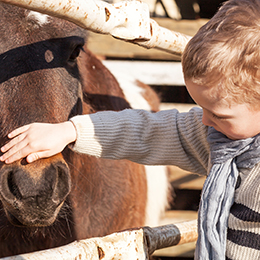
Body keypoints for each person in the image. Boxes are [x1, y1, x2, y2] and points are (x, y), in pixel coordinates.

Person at [1, 0, 260, 259]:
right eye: (201, 108)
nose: (203, 121)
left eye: (217, 114)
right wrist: (70, 131)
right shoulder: (218, 137)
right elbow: (147, 132)